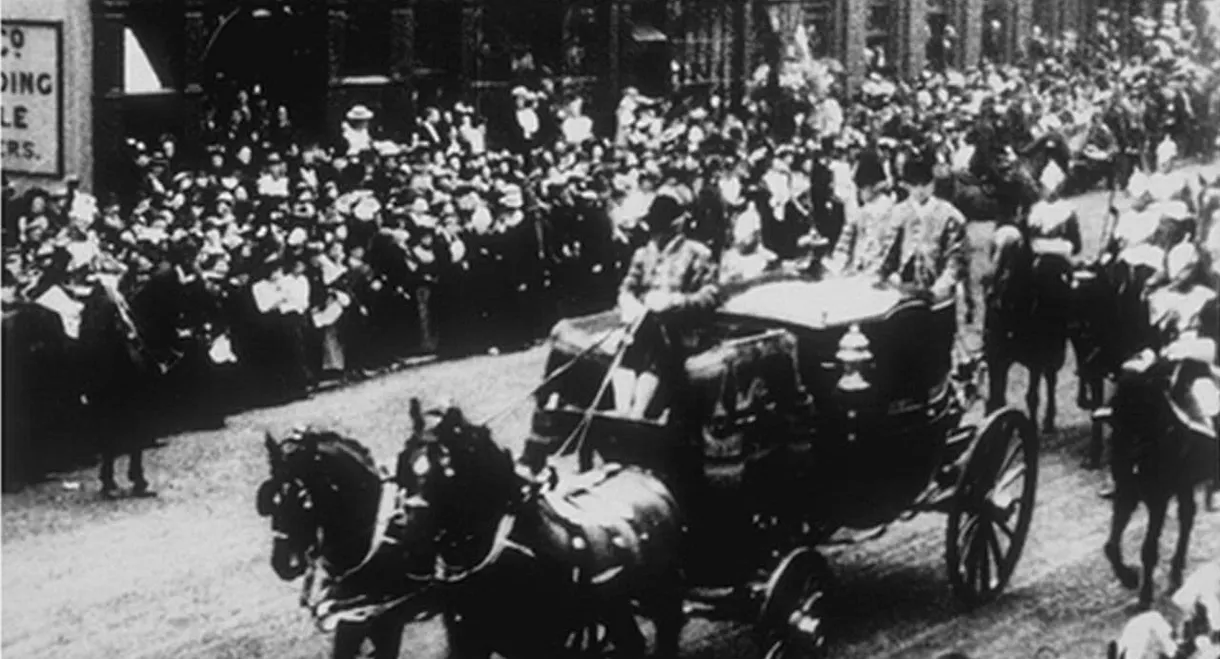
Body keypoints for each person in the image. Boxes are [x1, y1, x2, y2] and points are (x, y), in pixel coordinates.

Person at [612, 194, 719, 419]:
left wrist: (677, 301)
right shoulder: (643, 254)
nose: (657, 234)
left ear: (677, 225)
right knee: (626, 355)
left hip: (682, 330)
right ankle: (623, 412)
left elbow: (710, 295)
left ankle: (637, 413)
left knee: (655, 354)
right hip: (642, 325)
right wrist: (629, 303)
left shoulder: (697, 253)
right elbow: (627, 288)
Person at [878, 154, 968, 301]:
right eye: (914, 185)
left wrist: (939, 289)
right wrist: (888, 276)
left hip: (937, 293)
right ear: (906, 186)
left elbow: (956, 260)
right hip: (902, 290)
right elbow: (887, 253)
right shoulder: (898, 212)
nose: (920, 190)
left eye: (925, 184)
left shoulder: (949, 214)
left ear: (933, 183)